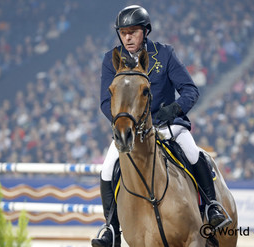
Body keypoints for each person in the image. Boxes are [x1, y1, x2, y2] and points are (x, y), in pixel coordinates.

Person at [92, 5, 227, 247]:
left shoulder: (164, 54)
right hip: (133, 130)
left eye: (133, 32)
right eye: (123, 33)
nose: (128, 37)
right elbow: (105, 101)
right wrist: (123, 121)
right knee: (107, 168)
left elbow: (190, 90)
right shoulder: (110, 60)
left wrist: (174, 109)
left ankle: (212, 206)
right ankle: (111, 229)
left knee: (193, 152)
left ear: (145, 32)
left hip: (167, 125)